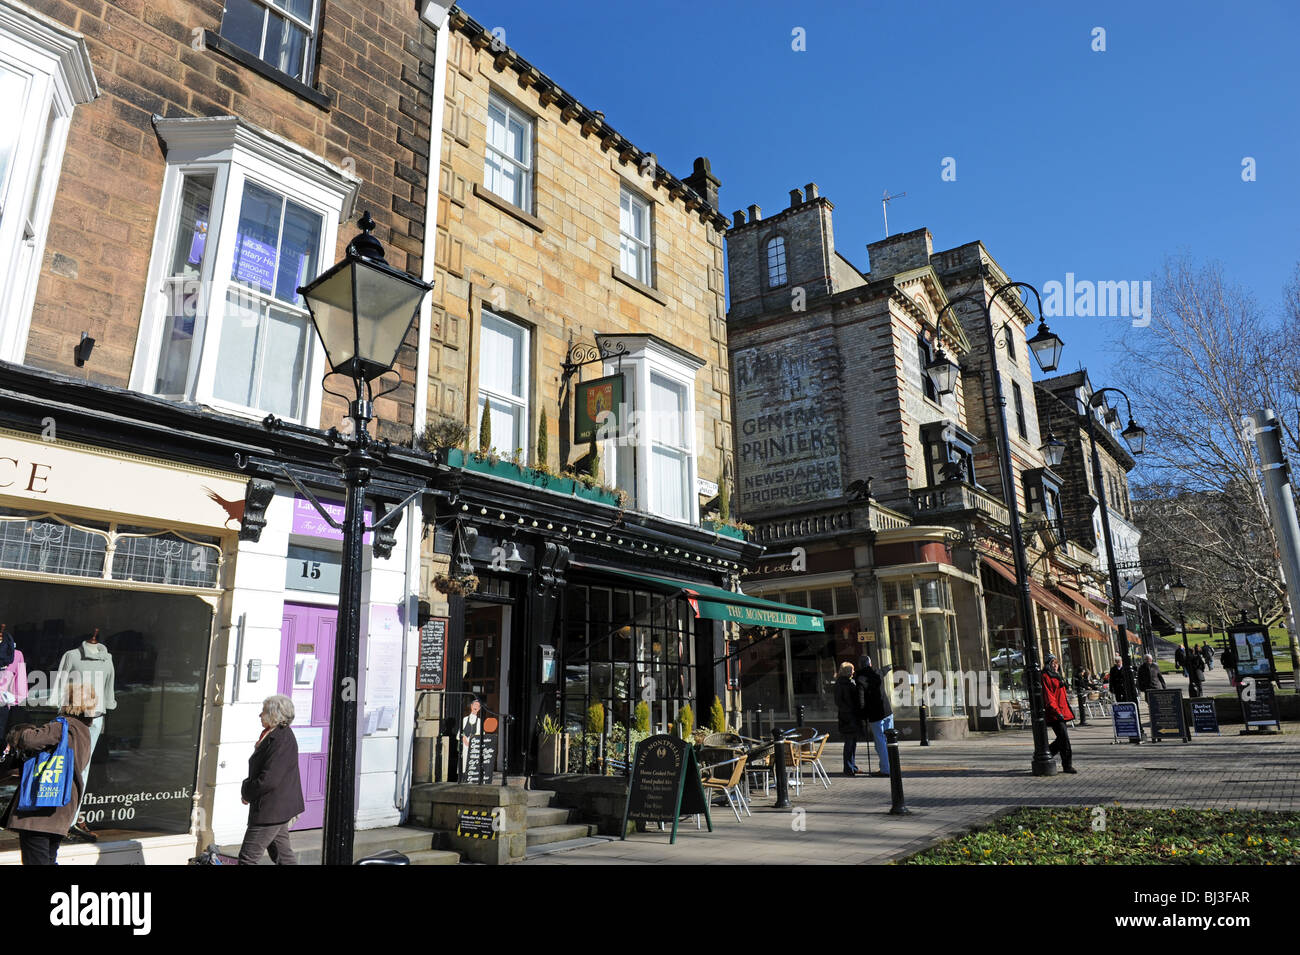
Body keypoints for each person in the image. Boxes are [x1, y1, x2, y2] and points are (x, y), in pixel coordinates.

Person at [0, 682, 96, 865]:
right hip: (61, 807)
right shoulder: (84, 731)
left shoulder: (62, 726)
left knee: (37, 860)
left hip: (41, 806)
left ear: (67, 702)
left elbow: (29, 740)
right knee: (48, 859)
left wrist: (20, 728)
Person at [238, 694, 304, 865]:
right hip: (276, 808)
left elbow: (269, 779)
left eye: (263, 711)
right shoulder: (274, 735)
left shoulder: (281, 739)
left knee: (247, 858)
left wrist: (247, 792)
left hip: (271, 809)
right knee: (284, 858)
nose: (260, 715)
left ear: (275, 715)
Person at [857, 656, 893, 778]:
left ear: (860, 665)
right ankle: (893, 766)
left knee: (880, 742)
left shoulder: (860, 679)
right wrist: (890, 666)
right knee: (891, 740)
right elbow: (884, 670)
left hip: (875, 714)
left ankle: (885, 769)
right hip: (887, 711)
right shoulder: (877, 672)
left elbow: (861, 701)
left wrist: (863, 718)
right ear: (870, 664)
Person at [1041, 655, 1076, 773]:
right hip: (1055, 713)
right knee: (1064, 739)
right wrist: (1056, 711)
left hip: (1062, 710)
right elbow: (1049, 697)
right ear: (1048, 664)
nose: (1055, 665)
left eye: (1056, 663)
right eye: (1052, 663)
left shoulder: (1057, 676)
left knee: (1061, 739)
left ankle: (1047, 753)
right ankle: (1067, 765)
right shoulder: (1046, 676)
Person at [834, 662, 862, 776]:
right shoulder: (846, 684)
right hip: (849, 717)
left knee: (852, 742)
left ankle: (852, 766)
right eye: (853, 670)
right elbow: (841, 702)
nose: (854, 672)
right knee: (849, 743)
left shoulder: (844, 683)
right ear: (849, 672)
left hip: (847, 716)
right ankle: (848, 767)